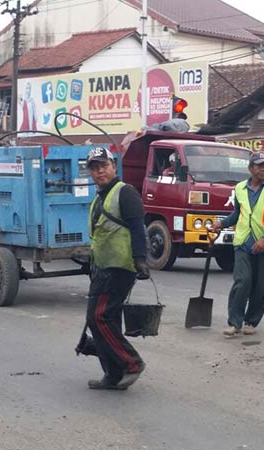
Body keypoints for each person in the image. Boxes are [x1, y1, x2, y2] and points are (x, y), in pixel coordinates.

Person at [84, 147, 150, 390]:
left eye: (103, 165)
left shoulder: (125, 193)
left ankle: (131, 363)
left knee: (99, 317)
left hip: (121, 266)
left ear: (113, 166)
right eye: (94, 167)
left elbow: (137, 227)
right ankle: (112, 374)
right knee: (103, 318)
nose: (99, 171)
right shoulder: (100, 197)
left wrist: (141, 259)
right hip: (103, 266)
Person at [210, 151, 264, 337]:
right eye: (259, 166)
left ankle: (251, 321)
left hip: (263, 245)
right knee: (242, 281)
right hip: (242, 242)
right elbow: (236, 214)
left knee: (261, 286)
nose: (263, 169)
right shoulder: (240, 188)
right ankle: (234, 322)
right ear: (251, 168)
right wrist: (221, 223)